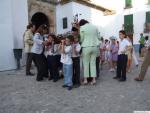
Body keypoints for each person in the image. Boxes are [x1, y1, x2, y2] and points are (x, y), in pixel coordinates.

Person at [79, 19, 100, 85]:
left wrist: (81, 42)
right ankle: (93, 80)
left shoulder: (82, 27)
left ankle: (85, 80)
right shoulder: (95, 27)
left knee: (86, 64)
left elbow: (82, 38)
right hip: (95, 46)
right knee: (93, 64)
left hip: (86, 46)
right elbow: (98, 37)